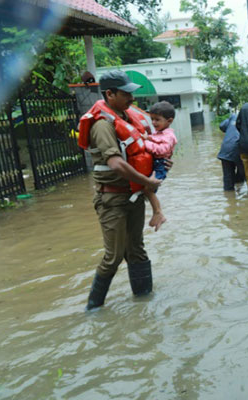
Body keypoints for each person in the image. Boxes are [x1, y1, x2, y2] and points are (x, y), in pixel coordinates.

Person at [77, 70, 162, 310]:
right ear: (110, 94)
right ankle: (93, 310)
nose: (132, 99)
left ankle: (144, 303)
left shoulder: (125, 118)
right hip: (112, 198)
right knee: (112, 257)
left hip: (133, 196)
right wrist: (147, 183)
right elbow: (115, 163)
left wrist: (158, 166)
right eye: (126, 94)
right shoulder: (102, 125)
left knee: (136, 250)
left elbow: (142, 152)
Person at [140, 100, 178, 231]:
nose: (154, 123)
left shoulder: (169, 135)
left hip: (160, 165)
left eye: (157, 120)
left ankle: (158, 213)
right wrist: (149, 138)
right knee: (146, 189)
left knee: (148, 189)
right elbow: (155, 139)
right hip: (157, 164)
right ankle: (157, 213)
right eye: (152, 119)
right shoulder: (160, 132)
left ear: (169, 121)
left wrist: (144, 143)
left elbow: (161, 150)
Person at [217, 113, 245, 191]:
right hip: (240, 149)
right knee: (246, 175)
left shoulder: (233, 117)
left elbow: (222, 126)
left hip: (226, 150)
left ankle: (230, 198)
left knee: (228, 179)